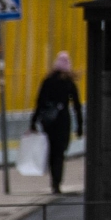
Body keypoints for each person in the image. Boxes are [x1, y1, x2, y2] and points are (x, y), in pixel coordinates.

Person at [31, 53, 82, 194]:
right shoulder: (69, 83)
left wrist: (33, 122)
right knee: (60, 153)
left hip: (49, 122)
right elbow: (77, 106)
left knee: (51, 151)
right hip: (63, 121)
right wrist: (80, 126)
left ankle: (53, 180)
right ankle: (57, 183)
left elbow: (39, 102)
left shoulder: (47, 81)